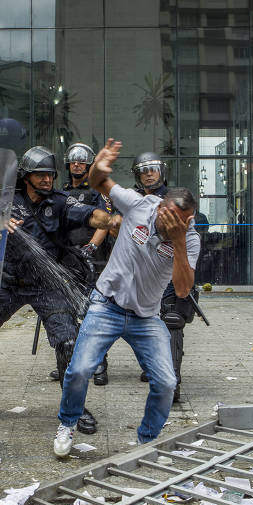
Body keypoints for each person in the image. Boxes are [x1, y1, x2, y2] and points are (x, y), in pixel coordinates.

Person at [53, 140, 200, 457]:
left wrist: (176, 241)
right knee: (79, 371)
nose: (171, 224)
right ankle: (67, 423)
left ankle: (147, 439)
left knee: (166, 383)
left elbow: (184, 289)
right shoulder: (140, 205)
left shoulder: (188, 239)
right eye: (169, 217)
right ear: (160, 207)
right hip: (105, 305)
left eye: (181, 221)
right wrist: (99, 166)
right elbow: (99, 183)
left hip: (146, 318)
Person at [0, 146, 117, 436]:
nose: (47, 180)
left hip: (48, 284)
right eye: (40, 175)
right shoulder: (5, 200)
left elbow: (88, 215)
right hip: (8, 281)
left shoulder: (60, 202)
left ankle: (74, 408)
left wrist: (109, 220)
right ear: (26, 176)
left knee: (68, 344)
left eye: (50, 175)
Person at [131, 152, 200, 404]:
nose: (149, 173)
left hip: (171, 269)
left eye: (153, 168)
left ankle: (172, 383)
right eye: (143, 169)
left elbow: (190, 233)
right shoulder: (130, 199)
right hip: (139, 272)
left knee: (172, 319)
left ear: (162, 171)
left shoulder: (176, 198)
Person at [49, 142, 113, 386]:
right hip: (65, 260)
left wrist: (91, 249)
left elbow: (105, 223)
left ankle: (99, 364)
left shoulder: (98, 191)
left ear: (89, 165)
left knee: (92, 313)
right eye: (73, 161)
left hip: (91, 260)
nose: (77, 164)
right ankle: (67, 363)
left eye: (82, 162)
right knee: (63, 312)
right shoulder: (62, 191)